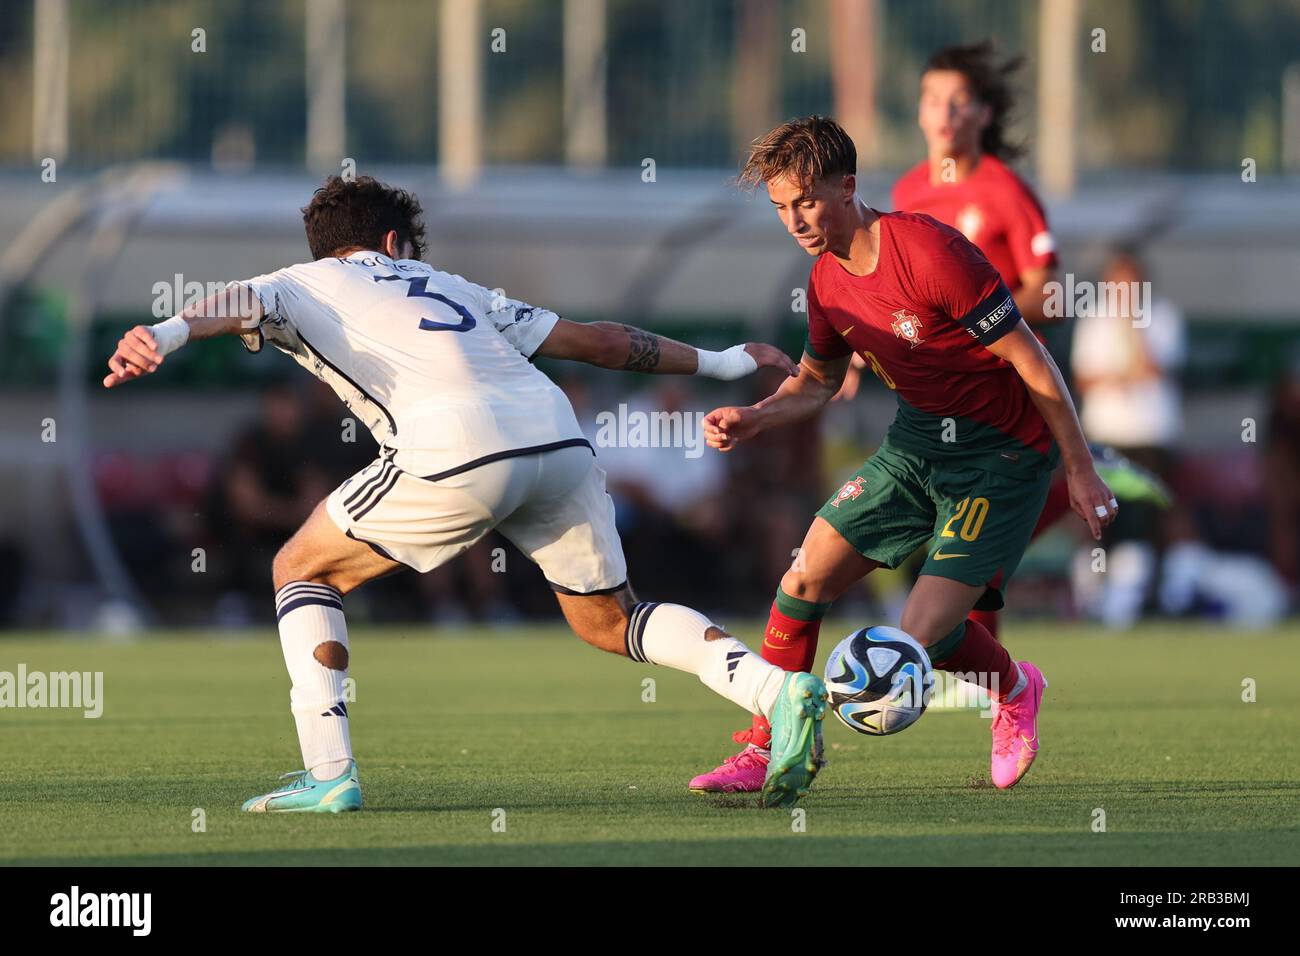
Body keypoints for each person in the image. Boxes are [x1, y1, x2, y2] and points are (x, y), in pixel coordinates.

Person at [102, 175, 825, 811]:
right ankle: (774, 690)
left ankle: (328, 775)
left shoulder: (302, 281)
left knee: (301, 567)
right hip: (558, 439)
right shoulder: (454, 287)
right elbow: (602, 342)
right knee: (613, 620)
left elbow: (235, 301)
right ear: (394, 240)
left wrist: (162, 335)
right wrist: (728, 361)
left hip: (454, 446)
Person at [688, 116, 1117, 794]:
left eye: (805, 200)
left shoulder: (931, 253)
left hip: (1001, 457)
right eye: (781, 208)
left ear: (848, 186)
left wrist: (1080, 466)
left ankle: (1013, 688)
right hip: (915, 446)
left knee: (925, 636)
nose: (795, 220)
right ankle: (769, 747)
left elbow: (1033, 360)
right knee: (803, 580)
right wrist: (756, 416)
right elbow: (818, 381)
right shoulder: (827, 281)